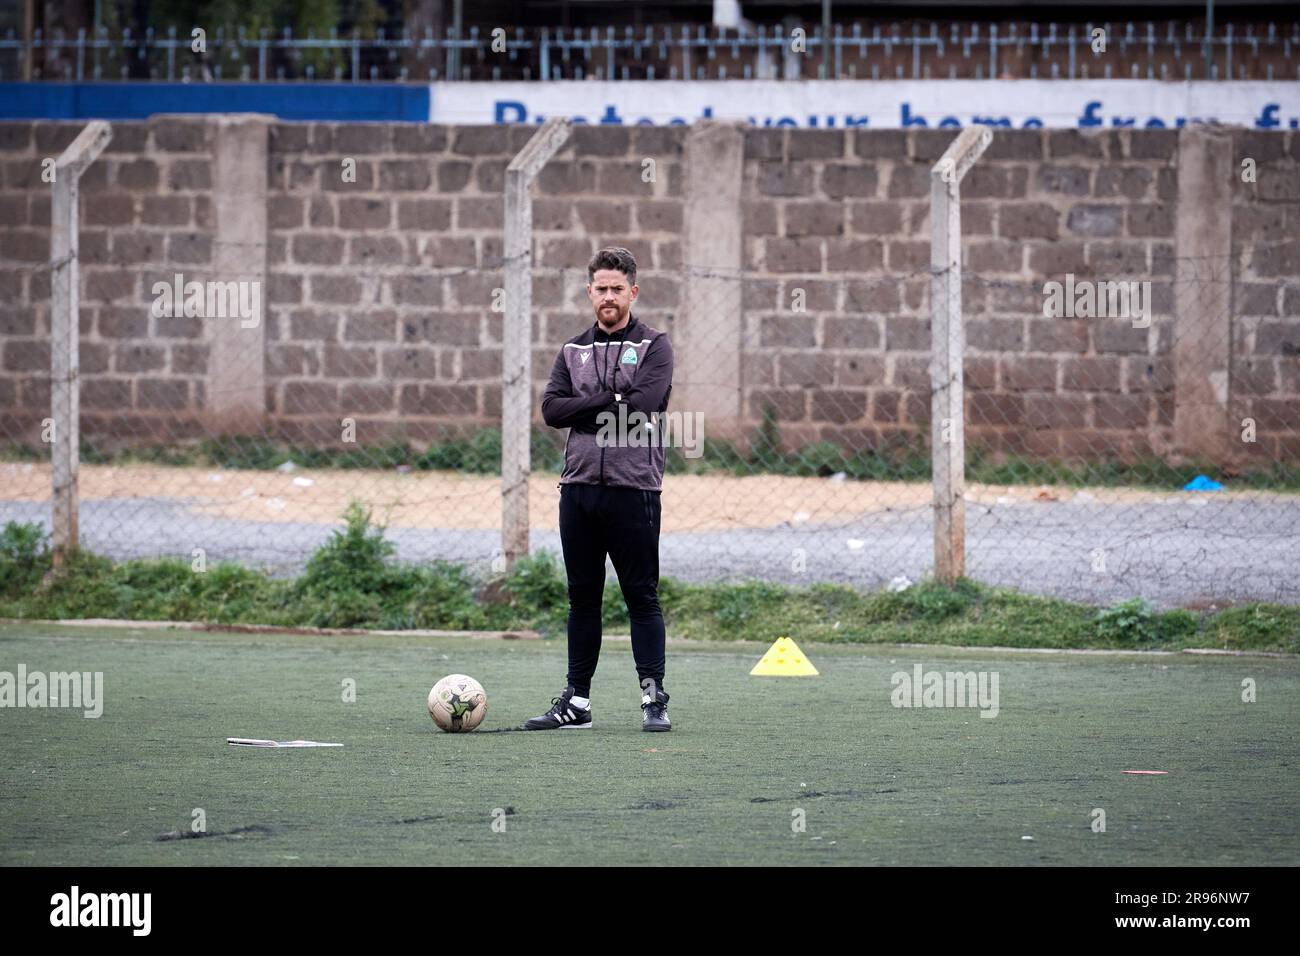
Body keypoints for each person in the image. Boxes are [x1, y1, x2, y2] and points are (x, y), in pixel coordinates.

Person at [524, 247, 674, 732]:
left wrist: (587, 406)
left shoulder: (655, 346)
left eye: (617, 289)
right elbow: (551, 411)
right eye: (600, 289)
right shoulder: (572, 351)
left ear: (633, 292)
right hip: (580, 490)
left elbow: (642, 405)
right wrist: (609, 399)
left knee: (641, 596)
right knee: (582, 598)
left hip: (635, 491)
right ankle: (578, 703)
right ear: (589, 292)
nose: (608, 297)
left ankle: (653, 699)